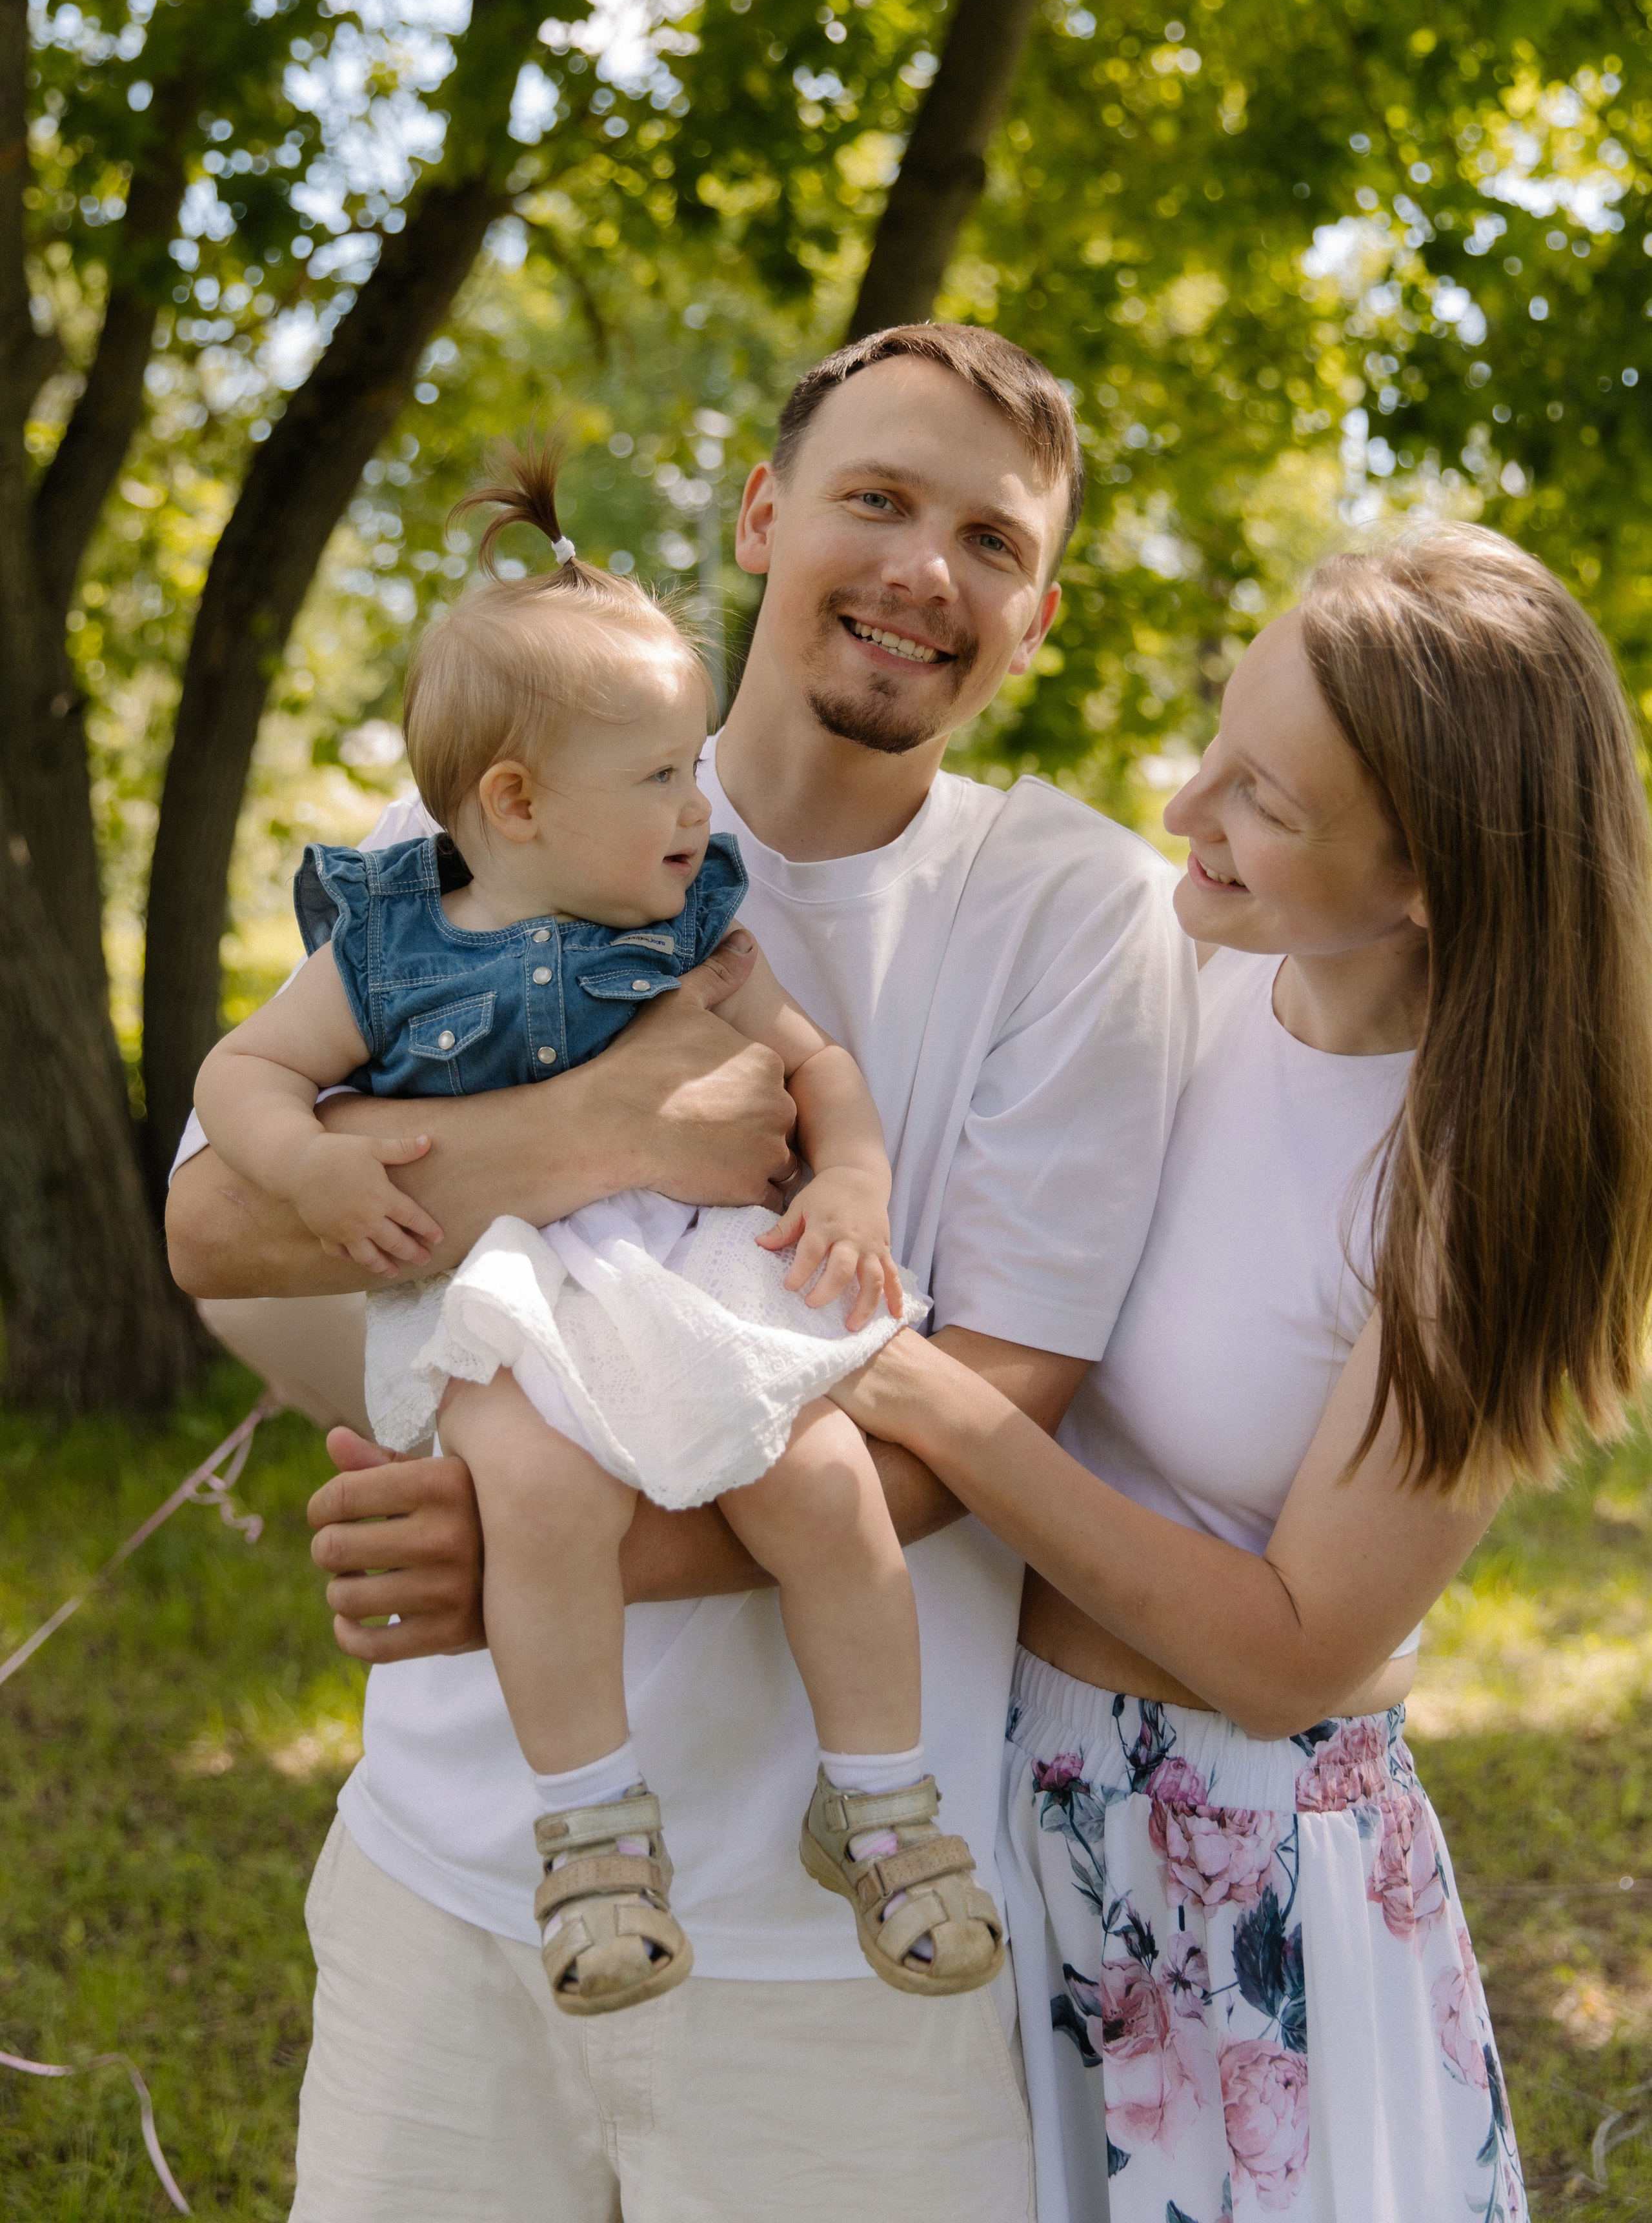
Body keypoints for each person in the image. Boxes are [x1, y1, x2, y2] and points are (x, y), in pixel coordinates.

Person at [166, 322, 1199, 2222]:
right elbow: (221, 1220)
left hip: (841, 1957)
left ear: (1038, 615)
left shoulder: (1076, 915)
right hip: (454, 1883)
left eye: (989, 540)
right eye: (877, 500)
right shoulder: (500, 811)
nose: (921, 571)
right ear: (761, 516)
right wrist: (626, 1136)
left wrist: (531, 1545)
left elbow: (1005, 1410)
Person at [830, 525, 1652, 2221]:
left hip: (1225, 1869)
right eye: (1217, 742)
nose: (1188, 814)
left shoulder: (1478, 1181)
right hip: (985, 1781)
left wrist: (931, 1405)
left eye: (1265, 801)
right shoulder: (1165, 972)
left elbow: (1297, 1655)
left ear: (1429, 873)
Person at [192, 447, 1003, 2015]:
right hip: (501, 1285)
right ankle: (593, 1840)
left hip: (689, 1268)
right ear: (516, 803)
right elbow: (242, 1074)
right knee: (545, 1504)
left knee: (823, 1478)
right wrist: (308, 1168)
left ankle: (883, 1807)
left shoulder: (695, 927)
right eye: (660, 780)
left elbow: (815, 1064)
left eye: (694, 770)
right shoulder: (387, 939)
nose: (702, 808)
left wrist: (847, 1183)